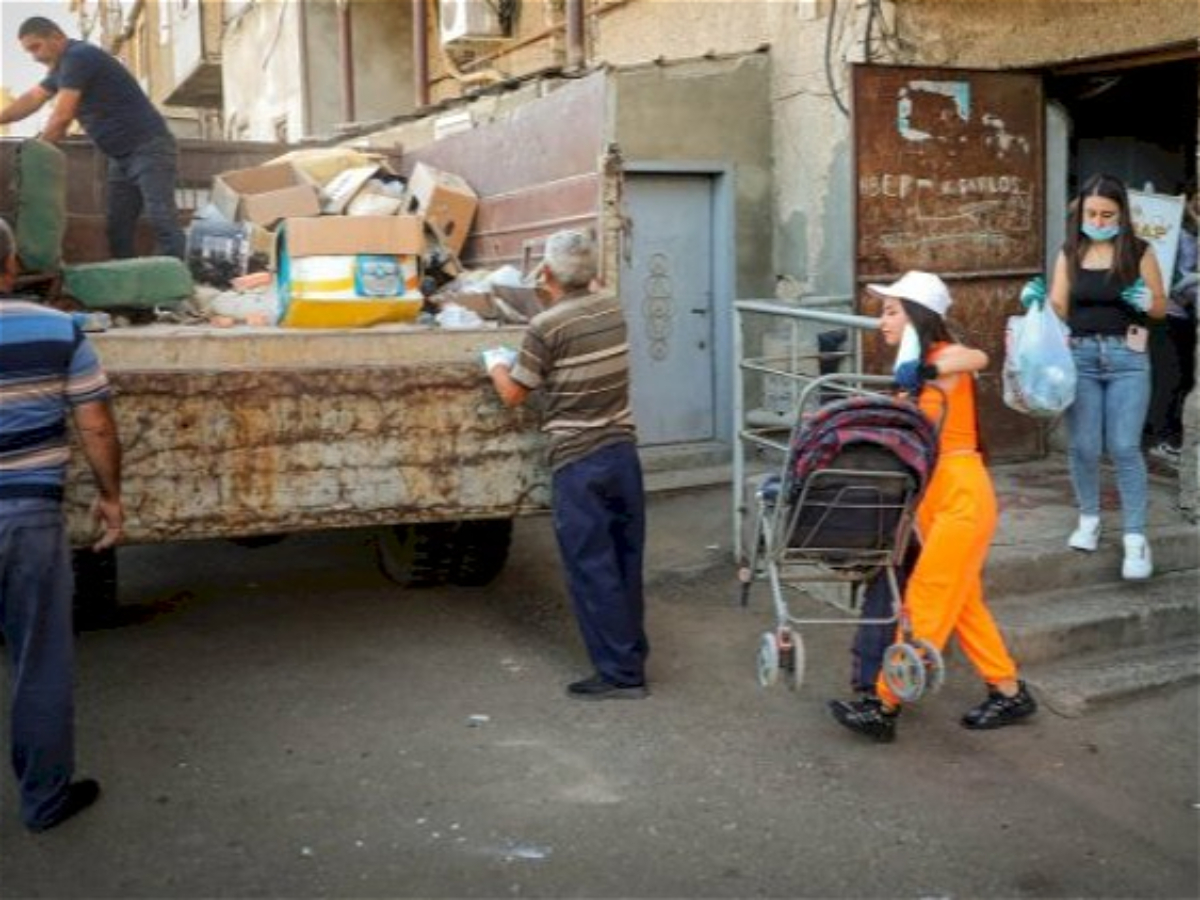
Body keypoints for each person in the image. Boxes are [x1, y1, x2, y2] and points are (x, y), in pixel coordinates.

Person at [828, 271, 1036, 743]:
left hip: (961, 495)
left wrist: (925, 371)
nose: (881, 321)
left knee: (926, 601)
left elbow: (977, 354)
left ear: (918, 315)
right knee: (962, 605)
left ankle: (884, 705)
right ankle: (1008, 690)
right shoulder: (913, 369)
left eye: (891, 310)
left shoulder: (943, 359)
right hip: (937, 498)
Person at [483, 229, 649, 701]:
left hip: (579, 461)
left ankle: (620, 676)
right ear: (594, 273)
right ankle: (632, 656)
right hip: (622, 453)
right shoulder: (612, 308)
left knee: (591, 567)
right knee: (624, 560)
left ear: (548, 274)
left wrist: (495, 362)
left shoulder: (545, 328)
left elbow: (515, 394)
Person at [0, 217, 125, 832]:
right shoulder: (58, 329)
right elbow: (96, 425)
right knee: (38, 659)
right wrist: (111, 498)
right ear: (11, 264)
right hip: (27, 518)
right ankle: (45, 801)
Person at [1046, 174, 1167, 579]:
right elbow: (1059, 307)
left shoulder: (1138, 251)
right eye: (1091, 213)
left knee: (1123, 446)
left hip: (1128, 357)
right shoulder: (1069, 252)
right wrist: (1039, 301)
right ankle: (1090, 519)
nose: (1098, 220)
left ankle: (1135, 538)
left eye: (1107, 214)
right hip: (1080, 357)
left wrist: (1148, 301)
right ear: (1080, 213)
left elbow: (1161, 309)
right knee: (1082, 446)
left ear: (1122, 215)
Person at [0, 17, 185, 260]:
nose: (35, 57)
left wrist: (36, 156)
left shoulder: (79, 56)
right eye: (29, 51)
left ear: (56, 36)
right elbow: (32, 99)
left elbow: (62, 117)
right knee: (118, 227)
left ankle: (174, 285)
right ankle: (128, 285)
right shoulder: (61, 69)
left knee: (162, 218)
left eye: (36, 47)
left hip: (148, 148)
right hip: (119, 157)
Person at [1146, 189, 1198, 466]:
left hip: (1184, 317)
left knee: (1182, 379)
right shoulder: (1173, 234)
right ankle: (1162, 439)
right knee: (1171, 378)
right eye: (1196, 200)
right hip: (1168, 313)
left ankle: (1167, 436)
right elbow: (1175, 281)